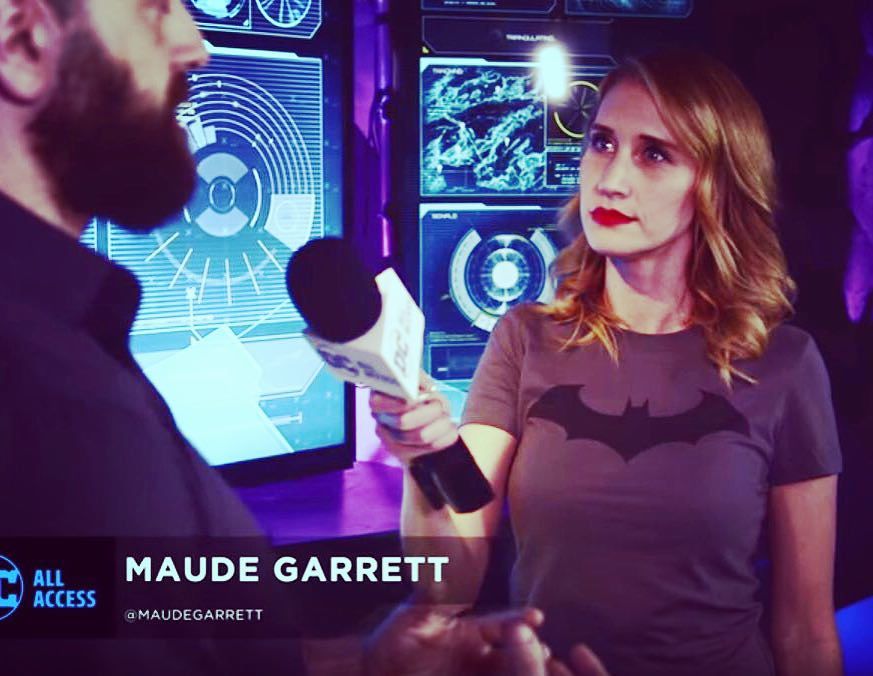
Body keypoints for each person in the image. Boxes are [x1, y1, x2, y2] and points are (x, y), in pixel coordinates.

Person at [0, 1, 594, 674]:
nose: (196, 45)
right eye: (154, 8)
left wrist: (362, 663)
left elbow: (100, 612)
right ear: (21, 41)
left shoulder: (71, 336)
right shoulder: (33, 376)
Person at [371, 50, 844, 676]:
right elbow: (449, 588)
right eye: (602, 143)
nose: (611, 179)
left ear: (715, 184)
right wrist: (424, 462)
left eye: (655, 154)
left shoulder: (784, 364)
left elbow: (806, 633)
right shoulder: (525, 339)